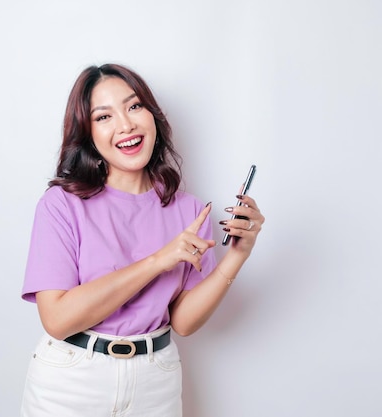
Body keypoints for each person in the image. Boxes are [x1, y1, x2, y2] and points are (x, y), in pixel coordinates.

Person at [20, 63, 264, 417]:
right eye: (104, 117)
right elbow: (57, 319)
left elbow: (183, 322)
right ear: (87, 134)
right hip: (71, 383)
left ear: (152, 116)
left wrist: (238, 256)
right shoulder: (61, 205)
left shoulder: (189, 210)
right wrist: (157, 261)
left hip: (156, 382)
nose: (126, 124)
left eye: (134, 106)